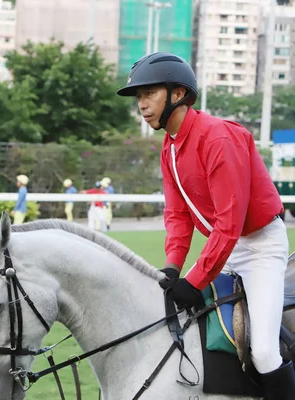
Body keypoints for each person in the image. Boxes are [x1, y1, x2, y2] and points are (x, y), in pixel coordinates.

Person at [116, 51, 295, 398]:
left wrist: (196, 280)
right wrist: (172, 266)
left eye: (149, 93)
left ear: (178, 94)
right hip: (228, 248)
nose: (142, 104)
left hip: (261, 247)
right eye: (139, 97)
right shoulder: (168, 148)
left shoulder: (218, 138)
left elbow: (229, 223)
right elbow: (178, 217)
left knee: (263, 350)